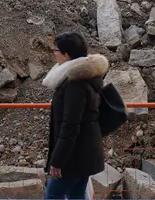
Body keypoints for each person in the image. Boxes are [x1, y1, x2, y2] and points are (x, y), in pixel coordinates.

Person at [41, 33, 109, 200]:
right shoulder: (85, 78)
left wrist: (57, 161)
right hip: (85, 152)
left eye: (55, 50)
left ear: (66, 54)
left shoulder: (74, 84)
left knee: (53, 194)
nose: (53, 53)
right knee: (76, 194)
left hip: (74, 156)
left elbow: (70, 125)